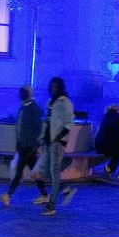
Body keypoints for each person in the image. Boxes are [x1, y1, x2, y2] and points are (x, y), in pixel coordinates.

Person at [32, 76, 77, 215]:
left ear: (61, 87)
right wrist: (41, 138)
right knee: (40, 172)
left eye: (56, 86)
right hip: (48, 142)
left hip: (57, 143)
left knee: (54, 172)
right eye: (51, 86)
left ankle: (52, 205)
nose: (53, 88)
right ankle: (65, 189)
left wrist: (59, 137)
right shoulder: (49, 103)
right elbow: (46, 122)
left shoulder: (65, 102)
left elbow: (68, 123)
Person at [0, 86, 48, 207]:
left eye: (24, 92)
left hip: (28, 146)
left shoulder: (34, 109)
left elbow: (37, 129)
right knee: (34, 171)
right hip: (24, 145)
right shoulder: (24, 107)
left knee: (19, 171)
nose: (22, 94)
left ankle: (8, 195)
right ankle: (45, 194)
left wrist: (33, 145)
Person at [93, 104, 119, 182]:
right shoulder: (117, 117)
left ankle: (110, 168)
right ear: (118, 109)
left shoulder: (107, 116)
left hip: (101, 145)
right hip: (108, 145)